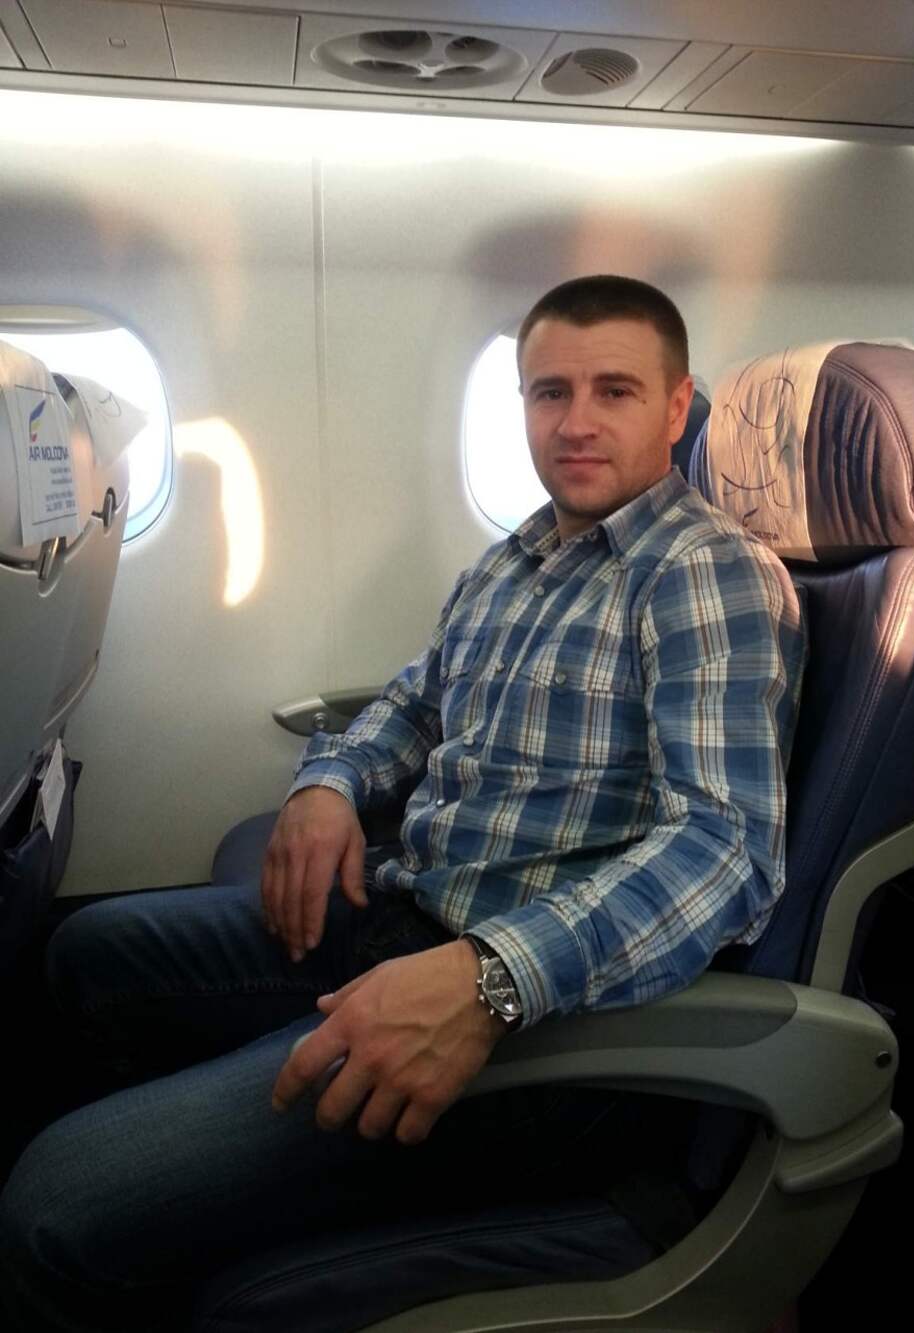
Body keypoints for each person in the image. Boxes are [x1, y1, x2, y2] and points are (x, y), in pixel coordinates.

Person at [0, 275, 805, 1331]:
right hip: (404, 916)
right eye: (548, 391)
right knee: (88, 957)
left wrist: (490, 979)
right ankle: (208, 1202)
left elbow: (723, 847)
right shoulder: (517, 560)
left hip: (550, 1026)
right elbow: (414, 706)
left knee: (50, 1208)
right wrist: (328, 782)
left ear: (676, 406)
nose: (574, 422)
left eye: (614, 390)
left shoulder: (704, 574)